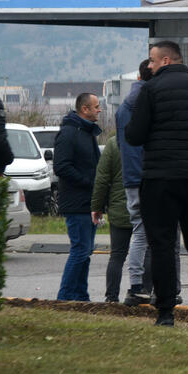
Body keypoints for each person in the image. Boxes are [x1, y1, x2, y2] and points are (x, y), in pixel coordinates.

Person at [125, 41, 188, 330]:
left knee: (162, 244)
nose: (149, 66)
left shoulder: (151, 90)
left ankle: (166, 312)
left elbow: (134, 135)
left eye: (152, 60)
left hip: (160, 177)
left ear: (166, 60)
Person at [115, 59, 157, 307]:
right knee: (145, 233)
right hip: (143, 175)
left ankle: (137, 285)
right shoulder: (145, 102)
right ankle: (139, 285)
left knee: (140, 230)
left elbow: (121, 144)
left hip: (132, 175)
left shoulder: (125, 105)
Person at [54, 93, 102, 302]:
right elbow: (61, 166)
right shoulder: (69, 133)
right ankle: (64, 297)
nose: (99, 110)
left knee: (86, 251)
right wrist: (88, 182)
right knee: (80, 250)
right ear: (84, 109)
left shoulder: (87, 133)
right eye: (96, 106)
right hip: (76, 202)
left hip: (89, 202)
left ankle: (81, 296)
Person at [90, 135, 132, 303]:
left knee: (117, 255)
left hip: (119, 208)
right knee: (148, 253)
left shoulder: (113, 144)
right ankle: (145, 292)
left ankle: (111, 297)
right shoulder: (149, 138)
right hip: (145, 207)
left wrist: (97, 206)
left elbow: (102, 179)